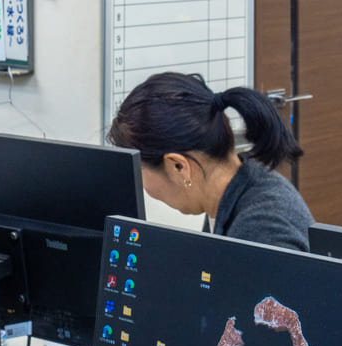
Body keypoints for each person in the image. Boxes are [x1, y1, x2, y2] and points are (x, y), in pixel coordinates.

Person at [108, 72, 315, 250]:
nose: (144, 188)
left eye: (140, 172)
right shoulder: (230, 193)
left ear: (178, 166)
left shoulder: (261, 228)